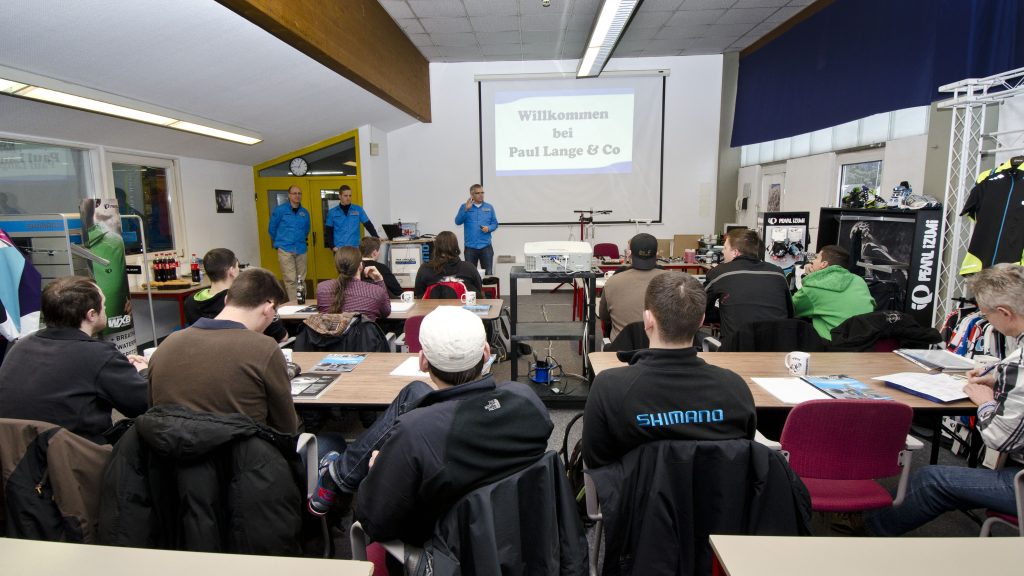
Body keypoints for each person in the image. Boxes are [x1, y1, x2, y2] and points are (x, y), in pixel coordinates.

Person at [308, 306, 552, 544]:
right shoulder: (527, 401)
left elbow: (374, 521)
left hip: (444, 545)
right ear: (486, 353)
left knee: (414, 392)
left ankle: (337, 477)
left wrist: (375, 473)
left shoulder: (415, 432)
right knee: (415, 391)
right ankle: (337, 476)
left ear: (423, 361)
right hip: (518, 530)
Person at [866, 263, 1024, 536]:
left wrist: (985, 400)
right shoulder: (1016, 362)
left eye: (986, 316)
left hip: (1017, 482)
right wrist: (1000, 375)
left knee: (931, 479)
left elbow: (1001, 439)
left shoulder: (1019, 363)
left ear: (1004, 313)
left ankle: (867, 533)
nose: (986, 322)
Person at [583, 272, 757, 469]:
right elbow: (744, 450)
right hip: (719, 498)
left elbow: (595, 461)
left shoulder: (609, 387)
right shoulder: (735, 387)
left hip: (637, 498)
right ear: (701, 320)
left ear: (648, 319)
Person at [147, 267, 298, 434]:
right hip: (244, 457)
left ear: (226, 300)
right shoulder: (264, 348)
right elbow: (287, 430)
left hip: (171, 455)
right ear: (268, 309)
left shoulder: (166, 345)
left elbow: (153, 412)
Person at [0, 276, 148, 443]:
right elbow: (144, 404)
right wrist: (143, 371)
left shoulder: (20, 347)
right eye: (104, 304)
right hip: (74, 459)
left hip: (16, 458)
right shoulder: (98, 355)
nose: (105, 308)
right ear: (92, 314)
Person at [704, 228, 793, 346]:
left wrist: (724, 312)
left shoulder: (719, 272)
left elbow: (699, 307)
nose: (722, 252)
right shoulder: (777, 272)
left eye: (725, 248)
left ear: (735, 252)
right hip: (777, 348)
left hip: (736, 349)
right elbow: (790, 312)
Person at [184, 248, 288, 341]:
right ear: (232, 271)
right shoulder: (241, 299)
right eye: (237, 266)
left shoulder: (190, 302)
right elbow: (281, 336)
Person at [792, 244, 875, 340]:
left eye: (816, 258)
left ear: (824, 264)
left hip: (833, 346)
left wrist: (809, 278)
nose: (812, 261)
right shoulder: (859, 280)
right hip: (865, 344)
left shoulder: (813, 287)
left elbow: (791, 308)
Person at [599, 233, 667, 341]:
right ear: (657, 254)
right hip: (662, 348)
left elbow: (604, 317)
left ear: (629, 254)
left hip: (622, 350)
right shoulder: (672, 282)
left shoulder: (612, 282)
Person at [315, 246, 390, 322]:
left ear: (336, 266)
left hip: (329, 334)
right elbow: (386, 312)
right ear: (361, 265)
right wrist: (379, 280)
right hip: (362, 334)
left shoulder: (322, 288)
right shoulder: (375, 291)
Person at [268, 185, 310, 302]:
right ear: (289, 195)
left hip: (301, 249)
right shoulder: (280, 210)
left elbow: (306, 230)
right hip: (285, 249)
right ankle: (294, 305)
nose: (297, 196)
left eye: (299, 193)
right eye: (294, 193)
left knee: (301, 279)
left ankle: (303, 304)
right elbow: (272, 229)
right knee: (290, 279)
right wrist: (281, 242)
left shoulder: (304, 213)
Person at [413, 230, 482, 298]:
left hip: (432, 308)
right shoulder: (469, 268)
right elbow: (478, 292)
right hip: (462, 308)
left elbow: (419, 295)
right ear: (456, 246)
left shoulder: (425, 268)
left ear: (436, 247)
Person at [454, 184, 498, 275]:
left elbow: (495, 224)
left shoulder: (489, 207)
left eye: (482, 192)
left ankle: (486, 290)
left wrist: (489, 228)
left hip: (486, 247)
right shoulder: (464, 206)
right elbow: (457, 222)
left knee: (488, 275)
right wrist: (466, 209)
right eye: (478, 193)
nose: (481, 195)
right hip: (470, 248)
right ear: (472, 194)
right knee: (470, 275)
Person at [325, 185, 379, 250]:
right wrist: (332, 247)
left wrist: (377, 238)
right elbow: (329, 231)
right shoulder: (332, 212)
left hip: (355, 248)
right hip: (339, 249)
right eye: (345, 196)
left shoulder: (358, 209)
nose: (348, 198)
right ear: (340, 196)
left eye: (350, 196)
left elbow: (368, 225)